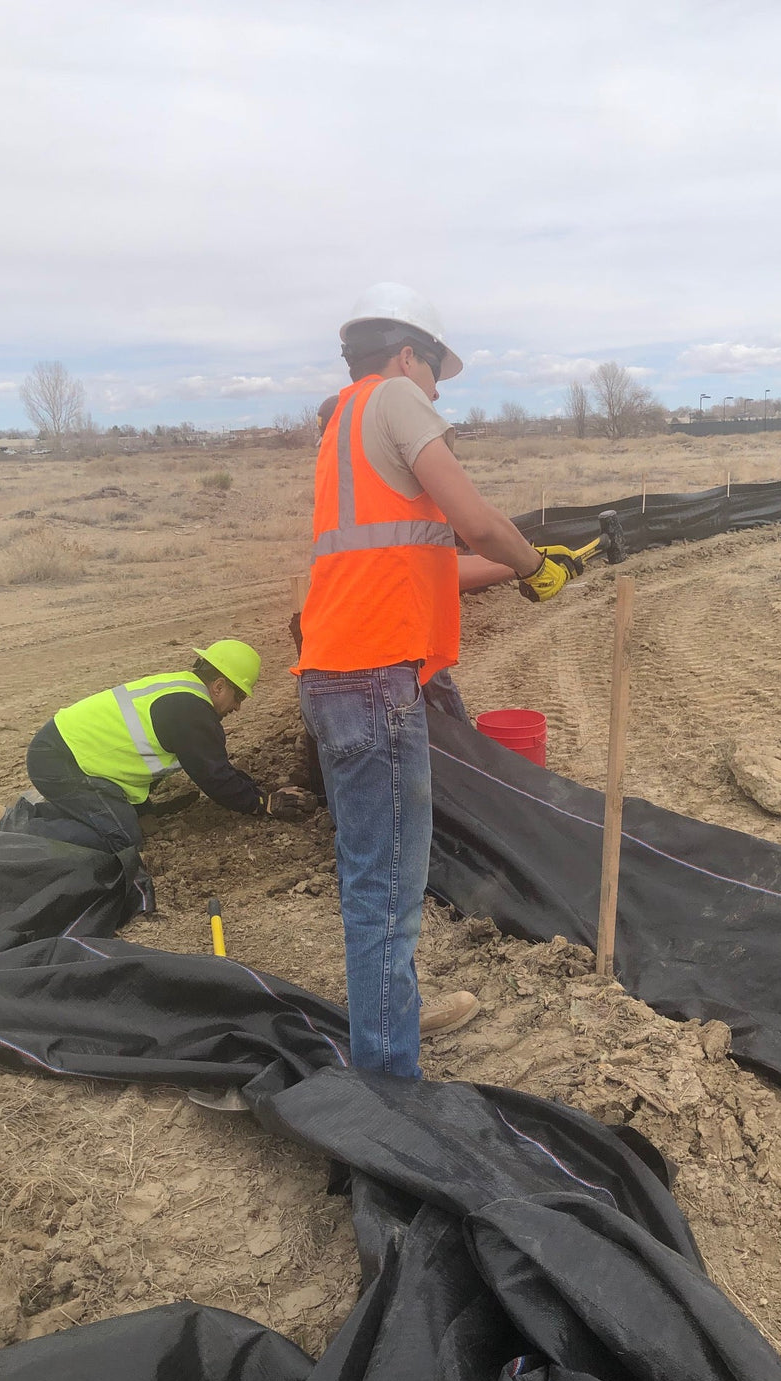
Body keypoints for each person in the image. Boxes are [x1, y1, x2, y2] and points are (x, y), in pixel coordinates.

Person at [293, 283, 580, 1079]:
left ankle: (391, 1027)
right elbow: (477, 520)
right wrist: (530, 565)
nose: (438, 392)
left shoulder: (343, 426)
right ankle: (388, 1086)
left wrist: (527, 566)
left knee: (373, 883)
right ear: (407, 354)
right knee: (385, 893)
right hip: (375, 682)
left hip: (335, 673)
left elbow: (427, 562)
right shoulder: (394, 398)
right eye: (435, 373)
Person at [25, 639, 309, 854]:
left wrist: (257, 794)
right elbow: (214, 777)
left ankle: (55, 812)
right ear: (220, 686)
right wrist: (263, 804)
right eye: (239, 698)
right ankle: (19, 830)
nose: (236, 707)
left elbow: (215, 767)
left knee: (126, 819)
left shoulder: (183, 691)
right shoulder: (191, 712)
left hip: (66, 753)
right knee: (123, 838)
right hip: (59, 761)